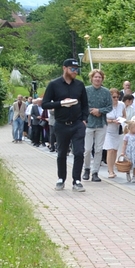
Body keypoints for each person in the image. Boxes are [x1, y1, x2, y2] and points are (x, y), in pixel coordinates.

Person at [41, 59, 89, 192]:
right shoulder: (54, 84)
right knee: (62, 153)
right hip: (61, 124)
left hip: (77, 124)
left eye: (76, 69)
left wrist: (84, 119)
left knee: (79, 152)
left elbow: (85, 104)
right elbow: (45, 104)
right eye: (72, 69)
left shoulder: (79, 85)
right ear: (64, 68)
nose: (75, 71)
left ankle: (77, 180)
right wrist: (61, 103)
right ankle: (61, 178)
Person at [82, 69, 112, 181]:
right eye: (96, 77)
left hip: (101, 123)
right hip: (88, 123)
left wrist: (100, 111)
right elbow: (82, 105)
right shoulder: (86, 90)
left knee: (99, 149)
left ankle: (95, 172)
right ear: (92, 78)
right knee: (87, 149)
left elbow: (109, 107)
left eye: (99, 77)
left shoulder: (106, 92)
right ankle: (86, 168)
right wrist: (91, 111)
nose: (97, 79)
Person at [102, 88, 126, 178]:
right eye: (114, 97)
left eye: (117, 97)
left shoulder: (121, 104)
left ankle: (111, 167)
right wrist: (112, 121)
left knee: (115, 150)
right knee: (110, 149)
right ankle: (110, 171)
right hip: (108, 130)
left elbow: (124, 115)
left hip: (117, 130)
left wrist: (121, 120)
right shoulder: (106, 105)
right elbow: (103, 119)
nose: (116, 99)